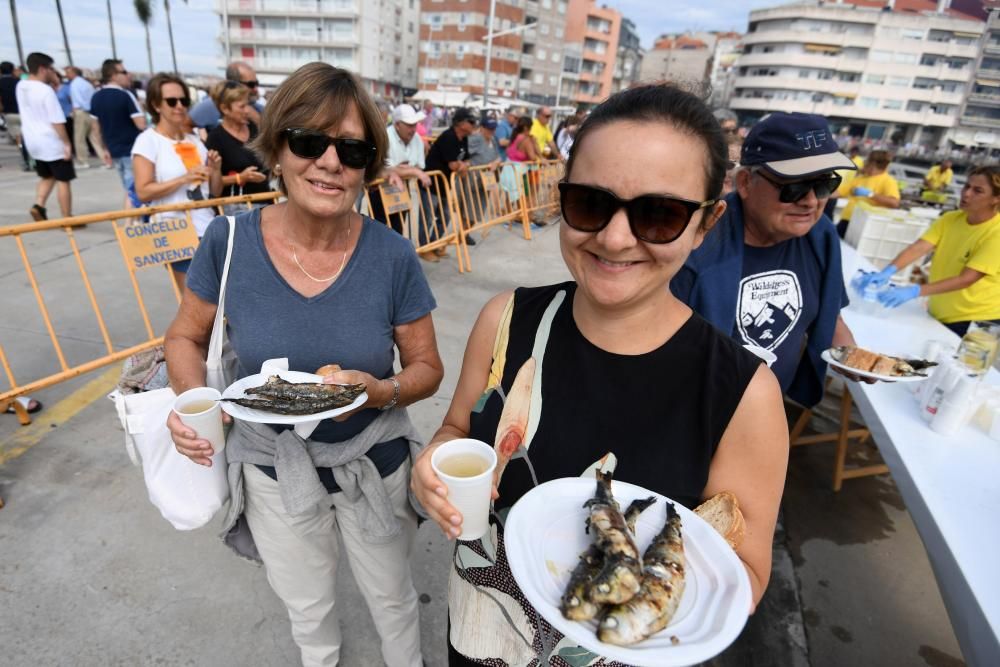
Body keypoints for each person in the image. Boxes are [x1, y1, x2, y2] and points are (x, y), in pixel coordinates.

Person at [411, 84, 788, 666]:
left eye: (658, 214)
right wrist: (431, 472)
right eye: (590, 203)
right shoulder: (505, 320)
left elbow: (745, 573)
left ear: (706, 224)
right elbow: (457, 429)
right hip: (482, 632)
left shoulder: (743, 395)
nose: (614, 238)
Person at [164, 62, 443, 667]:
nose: (330, 161)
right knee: (307, 604)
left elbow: (426, 368)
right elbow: (185, 338)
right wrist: (194, 405)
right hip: (272, 467)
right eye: (310, 141)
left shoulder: (393, 255)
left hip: (374, 460)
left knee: (393, 596)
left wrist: (378, 391)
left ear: (369, 163)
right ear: (278, 149)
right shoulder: (227, 242)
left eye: (352, 148)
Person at [671, 111, 865, 408]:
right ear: (746, 183)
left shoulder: (820, 235)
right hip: (695, 403)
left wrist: (853, 357)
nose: (811, 201)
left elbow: (831, 313)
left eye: (825, 184)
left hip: (767, 406)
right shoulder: (700, 240)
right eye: (795, 186)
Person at [859, 166, 1000, 336]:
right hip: (940, 311)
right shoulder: (950, 219)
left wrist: (915, 290)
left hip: (975, 320)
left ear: (996, 199)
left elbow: (966, 279)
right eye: (966, 186)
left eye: (978, 191)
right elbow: (919, 247)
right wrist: (888, 270)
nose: (967, 194)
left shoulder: (995, 233)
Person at [132, 72, 222, 285]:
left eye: (184, 101)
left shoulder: (195, 141)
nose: (180, 106)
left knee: (221, 299)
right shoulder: (148, 141)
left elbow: (214, 192)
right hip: (175, 230)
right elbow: (143, 191)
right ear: (156, 105)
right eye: (172, 101)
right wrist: (183, 179)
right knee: (195, 301)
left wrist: (216, 170)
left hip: (207, 227)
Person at [383, 102, 445, 260]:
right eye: (409, 125)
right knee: (381, 229)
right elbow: (385, 169)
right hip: (380, 192)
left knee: (397, 228)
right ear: (397, 125)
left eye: (415, 124)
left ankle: (392, 261)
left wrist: (406, 169)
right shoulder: (385, 137)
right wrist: (412, 171)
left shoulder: (417, 138)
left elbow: (418, 165)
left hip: (402, 191)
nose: (413, 129)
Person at [17, 52, 74, 222]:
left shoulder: (21, 86)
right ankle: (67, 218)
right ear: (43, 69)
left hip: (32, 139)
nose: (52, 72)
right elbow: (56, 120)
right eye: (50, 69)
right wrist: (66, 143)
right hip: (50, 140)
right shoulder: (45, 90)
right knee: (64, 179)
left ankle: (39, 205)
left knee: (47, 175)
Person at [204, 80, 270, 213]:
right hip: (235, 210)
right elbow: (212, 186)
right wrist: (241, 177)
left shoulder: (254, 128)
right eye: (242, 106)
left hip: (266, 204)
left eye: (248, 105)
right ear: (224, 109)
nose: (247, 111)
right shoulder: (216, 138)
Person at [90, 59, 147, 208]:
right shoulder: (126, 96)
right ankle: (132, 223)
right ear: (113, 75)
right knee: (135, 191)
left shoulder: (96, 97)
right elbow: (141, 124)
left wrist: (104, 149)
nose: (127, 75)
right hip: (132, 149)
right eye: (123, 72)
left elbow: (96, 128)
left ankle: (132, 222)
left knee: (129, 188)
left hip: (114, 149)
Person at [426, 106, 478, 244]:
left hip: (445, 184)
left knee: (445, 216)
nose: (474, 125)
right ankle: (425, 248)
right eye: (471, 122)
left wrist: (463, 165)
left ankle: (434, 244)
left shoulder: (464, 138)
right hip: (430, 184)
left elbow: (467, 160)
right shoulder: (448, 137)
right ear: (460, 123)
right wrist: (462, 165)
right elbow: (453, 165)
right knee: (428, 218)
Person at [835, 148, 900, 238]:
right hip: (846, 220)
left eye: (867, 161)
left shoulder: (888, 181)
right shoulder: (861, 178)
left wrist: (870, 194)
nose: (864, 164)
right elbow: (838, 192)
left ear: (873, 164)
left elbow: (894, 202)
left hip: (865, 225)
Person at [188, 61, 263, 131]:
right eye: (251, 84)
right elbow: (185, 127)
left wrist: (258, 119)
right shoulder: (210, 106)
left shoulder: (259, 108)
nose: (256, 89)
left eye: (257, 83)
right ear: (233, 83)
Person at [0, 60, 31, 171]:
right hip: (24, 113)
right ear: (13, 70)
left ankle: (25, 159)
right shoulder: (19, 82)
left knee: (19, 138)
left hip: (9, 114)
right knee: (27, 136)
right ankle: (32, 157)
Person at [66, 66, 97, 168]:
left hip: (81, 111)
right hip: (90, 112)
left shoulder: (75, 84)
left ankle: (82, 161)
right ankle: (105, 159)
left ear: (74, 73)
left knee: (79, 138)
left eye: (68, 72)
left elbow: (77, 99)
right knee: (94, 138)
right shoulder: (87, 84)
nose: (66, 75)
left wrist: (75, 109)